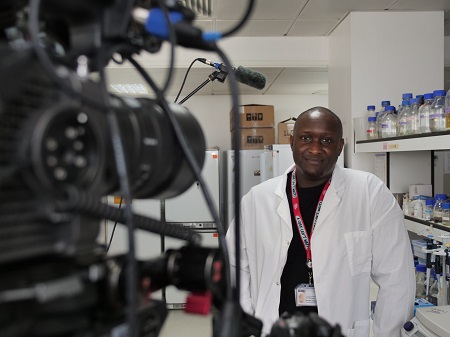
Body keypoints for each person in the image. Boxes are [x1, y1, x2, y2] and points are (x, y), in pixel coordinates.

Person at [226, 106, 415, 337]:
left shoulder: (369, 192)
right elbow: (234, 266)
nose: (315, 149)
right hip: (273, 329)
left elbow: (397, 279)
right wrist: (248, 323)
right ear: (292, 142)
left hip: (341, 329)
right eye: (306, 138)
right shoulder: (257, 199)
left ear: (340, 146)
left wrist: (387, 333)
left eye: (326, 140)